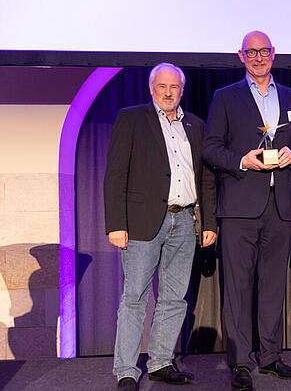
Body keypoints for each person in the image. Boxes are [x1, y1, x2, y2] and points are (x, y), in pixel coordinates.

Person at [202, 30, 291, 391]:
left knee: (272, 286)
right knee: (237, 286)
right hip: (238, 208)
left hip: (281, 207)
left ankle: (269, 357)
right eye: (251, 52)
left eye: (263, 51)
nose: (258, 57)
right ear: (240, 56)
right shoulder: (225, 97)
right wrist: (242, 161)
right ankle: (240, 361)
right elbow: (211, 148)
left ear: (273, 54)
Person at [104, 62, 217, 391]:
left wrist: (207, 221)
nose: (169, 93)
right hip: (141, 223)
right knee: (134, 298)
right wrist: (116, 224)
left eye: (175, 87)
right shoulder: (132, 118)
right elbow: (115, 175)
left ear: (182, 90)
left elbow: (206, 178)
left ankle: (160, 362)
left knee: (175, 298)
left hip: (185, 220)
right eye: (162, 87)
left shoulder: (196, 125)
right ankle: (126, 369)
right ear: (151, 88)